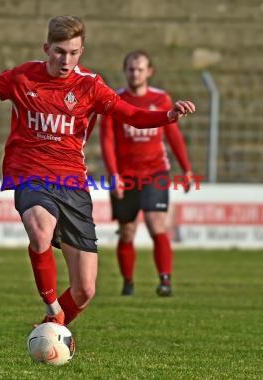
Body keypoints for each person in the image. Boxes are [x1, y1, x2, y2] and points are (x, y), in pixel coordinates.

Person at [0, 16, 195, 325]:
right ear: (46, 48)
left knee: (85, 290)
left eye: (73, 52)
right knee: (40, 231)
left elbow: (132, 115)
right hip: (29, 172)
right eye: (59, 51)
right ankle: (53, 308)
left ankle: (49, 328)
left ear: (81, 51)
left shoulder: (91, 86)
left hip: (71, 181)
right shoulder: (23, 78)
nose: (65, 60)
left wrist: (168, 115)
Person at [100, 50, 193, 297]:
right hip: (126, 175)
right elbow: (107, 140)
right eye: (131, 69)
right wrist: (113, 174)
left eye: (140, 69)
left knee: (156, 223)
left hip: (155, 172)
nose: (135, 73)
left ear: (149, 72)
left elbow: (173, 135)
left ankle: (165, 280)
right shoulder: (113, 100)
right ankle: (128, 282)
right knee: (127, 230)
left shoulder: (161, 99)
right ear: (125, 71)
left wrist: (187, 169)